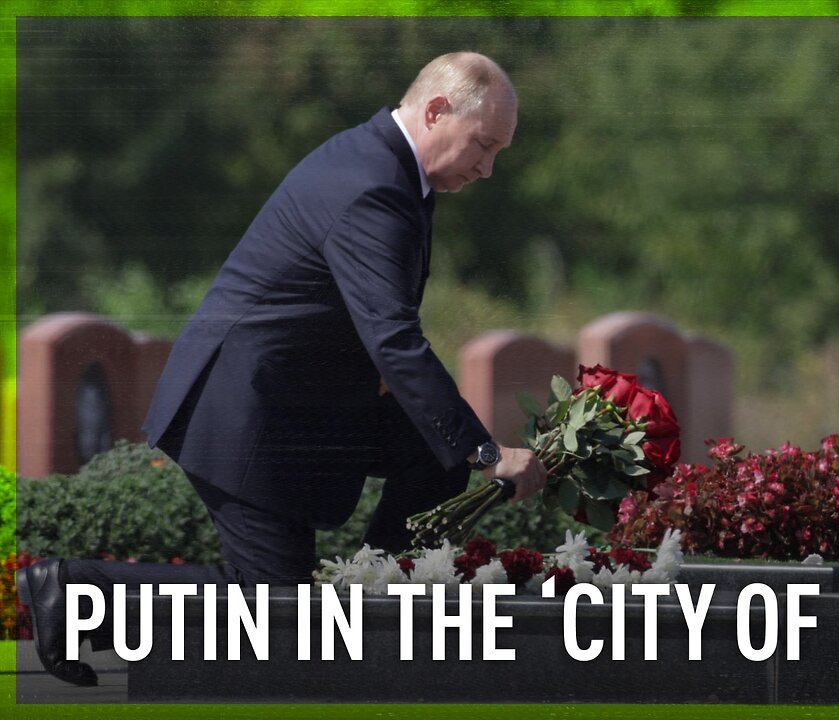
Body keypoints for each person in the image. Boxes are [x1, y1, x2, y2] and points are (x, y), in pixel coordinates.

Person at [18, 51, 547, 687]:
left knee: (433, 455)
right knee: (279, 617)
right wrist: (488, 452)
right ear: (437, 111)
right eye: (484, 146)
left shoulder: (387, 166)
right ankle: (75, 591)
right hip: (247, 415)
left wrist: (457, 444)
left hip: (298, 405)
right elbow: (394, 336)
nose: (488, 168)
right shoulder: (374, 183)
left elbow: (360, 316)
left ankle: (374, 593)